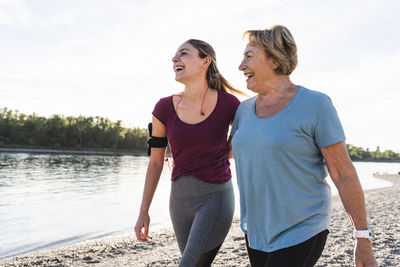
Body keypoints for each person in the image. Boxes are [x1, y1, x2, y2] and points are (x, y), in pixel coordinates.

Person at [230, 25, 378, 267]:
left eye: (249, 56)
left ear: (275, 60)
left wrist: (362, 238)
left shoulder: (315, 104)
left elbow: (343, 173)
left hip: (303, 226)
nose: (241, 65)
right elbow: (228, 153)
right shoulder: (243, 110)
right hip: (256, 231)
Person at [134, 39, 242, 266]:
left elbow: (244, 141)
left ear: (206, 61)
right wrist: (144, 211)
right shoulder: (163, 108)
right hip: (179, 201)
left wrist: (229, 149)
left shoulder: (229, 104)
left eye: (183, 53)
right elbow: (155, 162)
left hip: (216, 198)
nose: (175, 59)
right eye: (175, 56)